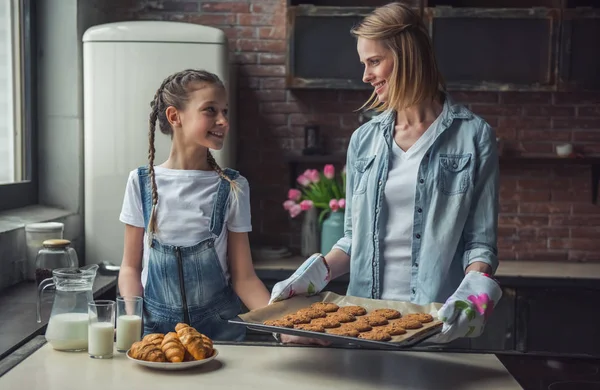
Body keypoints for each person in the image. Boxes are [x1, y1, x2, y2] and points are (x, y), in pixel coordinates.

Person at [270, 2, 502, 344]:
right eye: (364, 63)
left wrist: (473, 299)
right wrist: (310, 276)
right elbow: (351, 240)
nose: (366, 75)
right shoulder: (364, 141)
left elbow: (480, 245)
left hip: (436, 325)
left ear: (408, 56)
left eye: (374, 61)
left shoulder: (474, 136)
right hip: (364, 323)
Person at [118, 69, 270, 340]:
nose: (223, 120)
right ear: (175, 117)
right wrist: (133, 318)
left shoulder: (233, 186)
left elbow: (244, 279)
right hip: (156, 334)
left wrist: (284, 325)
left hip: (221, 333)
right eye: (210, 110)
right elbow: (130, 267)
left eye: (225, 111)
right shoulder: (140, 182)